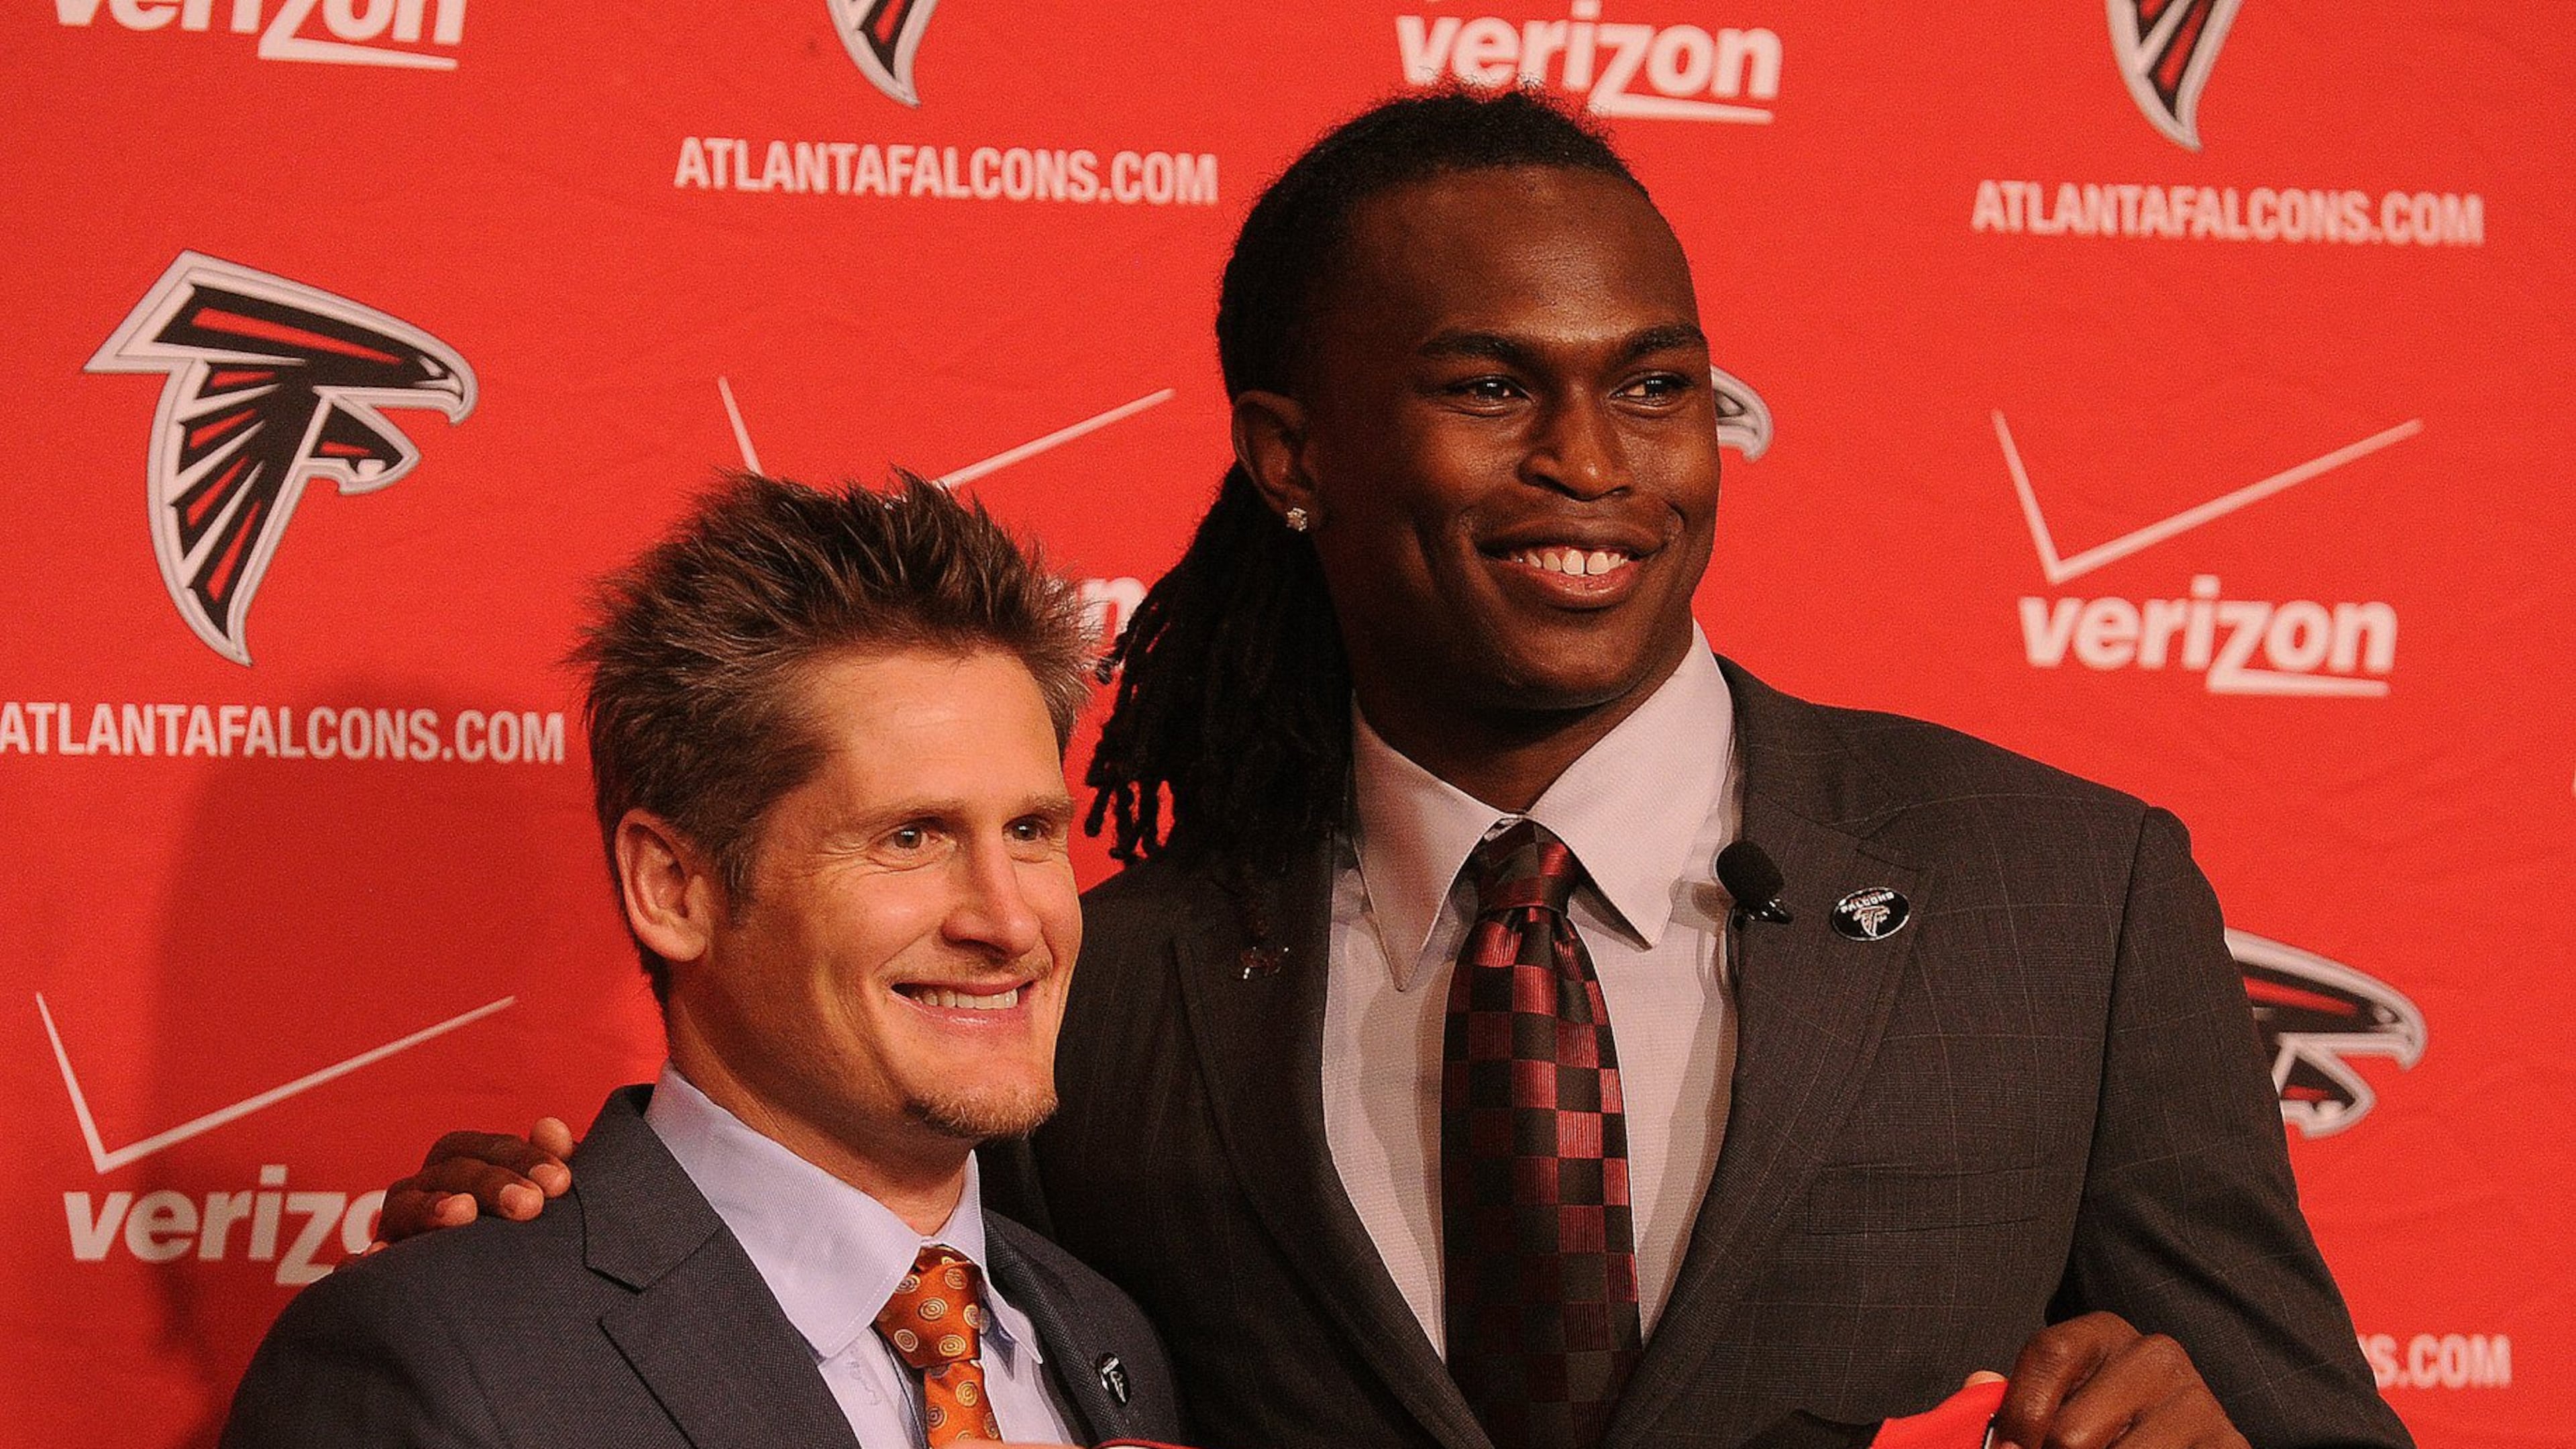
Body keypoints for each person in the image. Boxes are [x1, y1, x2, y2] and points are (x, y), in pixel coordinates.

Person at [381, 93, 2410, 1449]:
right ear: (1291, 456)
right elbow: (864, 1307)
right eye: (1488, 386)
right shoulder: (1115, 982)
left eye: (1656, 386)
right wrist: (560, 1254)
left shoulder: (2067, 896)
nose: (1596, 465)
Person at [225, 474, 1183, 1448]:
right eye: (911, 837)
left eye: (1030, 830)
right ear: (674, 888)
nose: (1012, 920)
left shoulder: (1108, 1339)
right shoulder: (440, 1357)